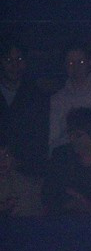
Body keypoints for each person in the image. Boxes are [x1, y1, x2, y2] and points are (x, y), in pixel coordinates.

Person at [0, 36, 49, 178]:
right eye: (8, 60)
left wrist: (17, 162)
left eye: (19, 59)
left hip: (26, 173)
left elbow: (40, 139)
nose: (14, 65)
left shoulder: (36, 96)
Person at [0, 140, 43, 217]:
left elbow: (32, 216)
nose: (2, 161)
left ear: (13, 158)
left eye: (6, 155)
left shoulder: (25, 184)